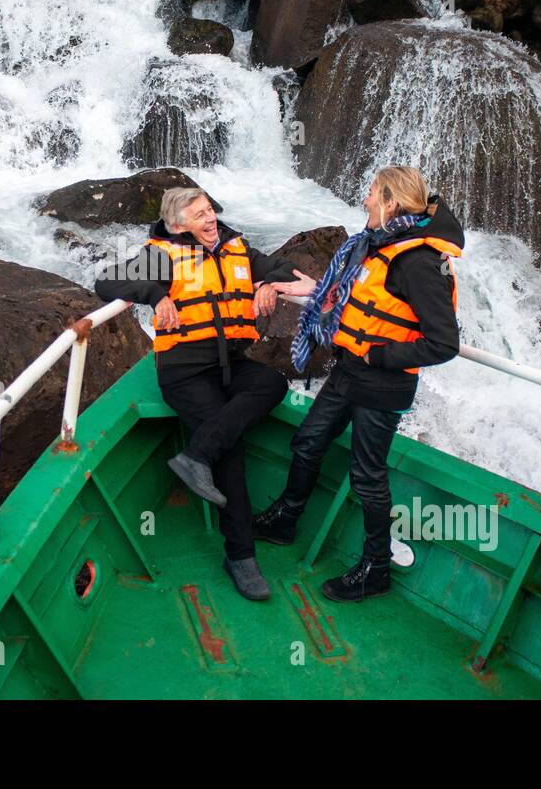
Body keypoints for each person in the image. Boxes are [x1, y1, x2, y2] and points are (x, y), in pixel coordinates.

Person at [254, 166, 464, 603]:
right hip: (350, 369)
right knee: (308, 442)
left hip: (382, 384)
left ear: (390, 203)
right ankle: (285, 520)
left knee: (367, 477)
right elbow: (352, 298)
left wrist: (379, 355)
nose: (364, 200)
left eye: (371, 193)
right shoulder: (377, 245)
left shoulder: (418, 263)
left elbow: (444, 343)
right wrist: (320, 293)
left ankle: (375, 569)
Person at [94, 186, 298, 601]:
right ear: (177, 225)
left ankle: (196, 456)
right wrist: (156, 293)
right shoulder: (162, 255)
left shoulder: (235, 249)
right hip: (185, 371)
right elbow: (106, 282)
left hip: (230, 365)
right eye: (199, 215)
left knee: (272, 383)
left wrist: (270, 284)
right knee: (232, 450)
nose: (210, 219)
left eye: (210, 211)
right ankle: (241, 556)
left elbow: (287, 268)